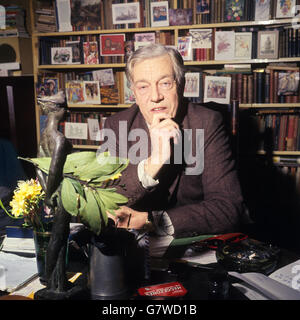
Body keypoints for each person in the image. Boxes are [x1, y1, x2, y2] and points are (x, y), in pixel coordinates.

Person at [102, 44, 243, 256]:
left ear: (181, 85)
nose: (155, 96)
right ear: (134, 92)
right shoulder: (116, 125)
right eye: (143, 86)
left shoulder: (207, 122)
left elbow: (228, 208)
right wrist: (153, 162)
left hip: (193, 246)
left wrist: (152, 221)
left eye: (165, 83)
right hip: (131, 251)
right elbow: (102, 201)